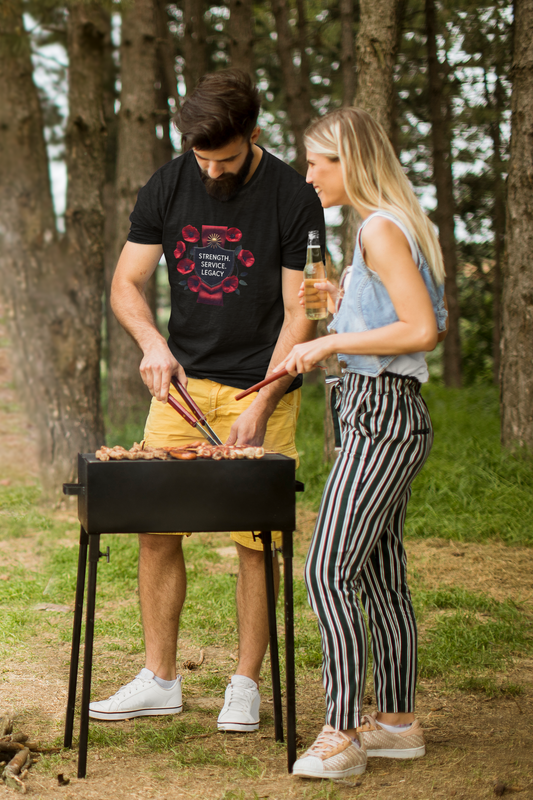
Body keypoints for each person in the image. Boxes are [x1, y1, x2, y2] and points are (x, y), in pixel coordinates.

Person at [88, 70, 325, 731]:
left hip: (263, 384)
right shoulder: (167, 183)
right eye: (202, 159)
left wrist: (268, 396)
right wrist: (151, 343)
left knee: (258, 540)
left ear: (254, 134)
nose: (212, 172)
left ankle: (244, 686)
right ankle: (160, 678)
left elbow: (302, 309)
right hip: (183, 387)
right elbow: (127, 284)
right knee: (156, 528)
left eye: (225, 158)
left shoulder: (293, 196)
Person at [273, 107, 448, 780]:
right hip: (380, 412)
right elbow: (391, 321)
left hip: (381, 416)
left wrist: (330, 339)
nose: (309, 173)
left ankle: (341, 732)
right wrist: (338, 308)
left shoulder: (378, 228)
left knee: (325, 570)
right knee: (378, 576)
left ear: (352, 161)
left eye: (319, 161)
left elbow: (420, 330)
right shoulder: (383, 228)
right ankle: (397, 724)